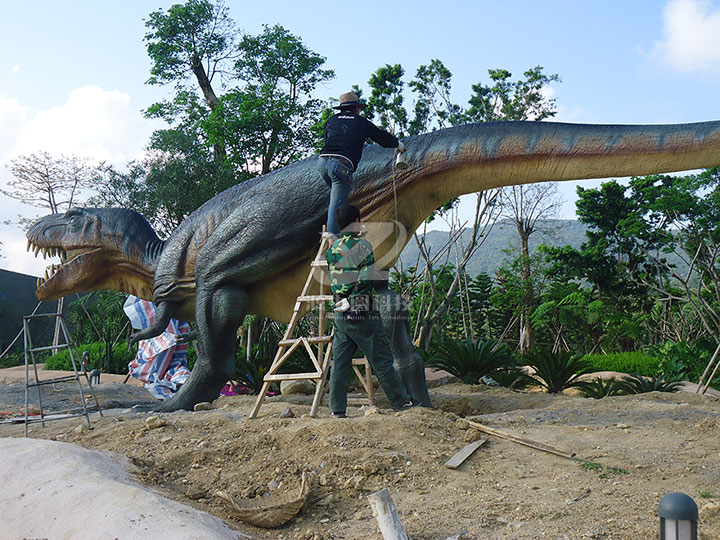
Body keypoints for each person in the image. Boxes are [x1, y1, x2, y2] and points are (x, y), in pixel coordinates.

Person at [326, 204, 415, 417]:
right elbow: (366, 279)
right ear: (356, 222)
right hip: (362, 311)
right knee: (382, 359)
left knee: (339, 364)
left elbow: (338, 275)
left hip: (340, 312)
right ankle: (401, 404)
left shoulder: (332, 249)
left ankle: (337, 410)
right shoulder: (364, 246)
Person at [318, 92, 406, 235]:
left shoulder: (332, 120)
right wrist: (398, 145)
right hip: (340, 165)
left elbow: (328, 139)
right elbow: (381, 138)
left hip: (322, 164)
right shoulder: (360, 122)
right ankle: (334, 242)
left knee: (338, 200)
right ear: (356, 109)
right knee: (337, 206)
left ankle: (344, 228)